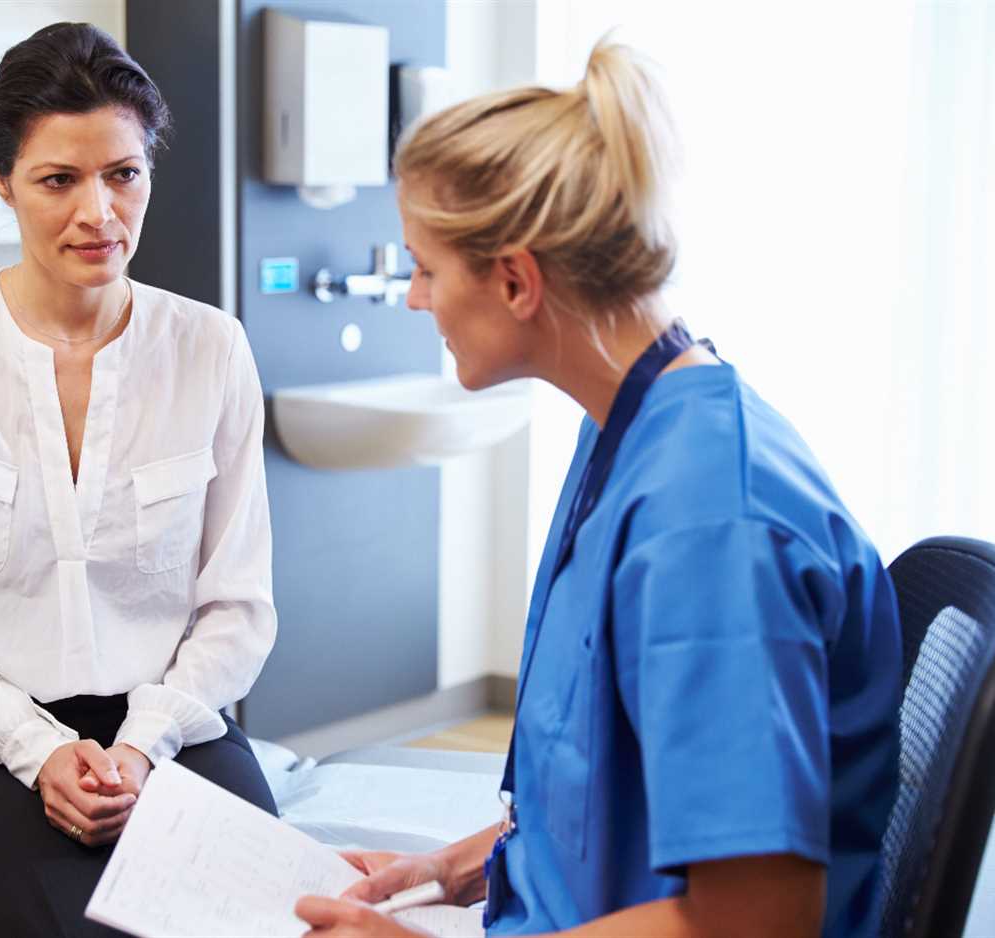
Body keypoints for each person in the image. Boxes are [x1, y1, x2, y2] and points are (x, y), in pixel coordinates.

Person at [296, 36, 901, 938]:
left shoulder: (709, 525)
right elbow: (601, 773)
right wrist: (454, 868)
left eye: (425, 267)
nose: (416, 300)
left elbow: (756, 920)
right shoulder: (635, 428)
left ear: (515, 280)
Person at [0, 23, 277, 937]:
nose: (100, 213)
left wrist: (141, 745)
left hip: (172, 732)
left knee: (260, 921)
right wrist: (38, 748)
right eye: (59, 180)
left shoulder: (211, 349)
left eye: (124, 173)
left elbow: (237, 605)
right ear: (0, 178)